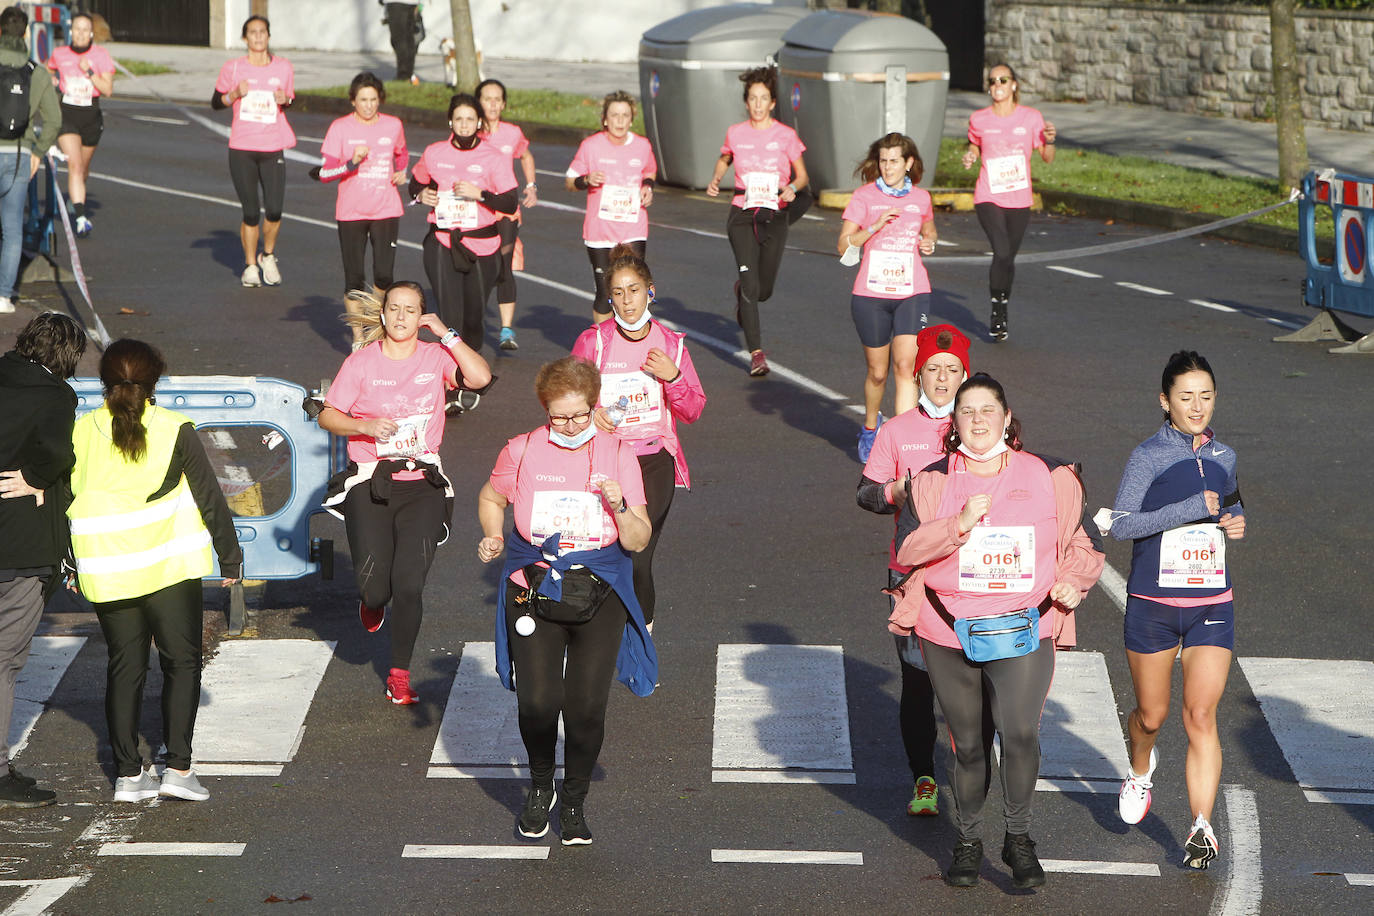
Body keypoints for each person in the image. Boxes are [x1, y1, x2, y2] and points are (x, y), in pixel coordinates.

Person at [890, 372, 1103, 889]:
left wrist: (1075, 580)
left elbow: (1083, 544)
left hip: (1024, 627)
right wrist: (957, 524)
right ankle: (967, 841)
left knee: (1020, 731)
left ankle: (1019, 838)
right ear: (953, 422)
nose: (978, 419)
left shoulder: (1051, 475)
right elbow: (906, 552)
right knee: (968, 745)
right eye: (967, 410)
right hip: (947, 630)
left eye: (989, 409)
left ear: (1008, 419)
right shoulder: (931, 479)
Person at [477, 356, 656, 846]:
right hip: (533, 587)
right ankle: (540, 787)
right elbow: (491, 497)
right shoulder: (523, 449)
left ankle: (573, 799)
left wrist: (618, 505)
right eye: (561, 416)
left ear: (593, 405)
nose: (573, 425)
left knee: (584, 709)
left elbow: (638, 540)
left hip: (599, 590)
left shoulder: (618, 453)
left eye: (581, 414)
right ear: (545, 410)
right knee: (537, 704)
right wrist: (494, 536)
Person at [66, 339, 243, 803]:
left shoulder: (83, 430)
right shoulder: (172, 428)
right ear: (155, 381)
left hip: (107, 566)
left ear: (105, 381)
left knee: (125, 666)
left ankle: (128, 774)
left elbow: (69, 491)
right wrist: (231, 558)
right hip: (168, 564)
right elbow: (209, 496)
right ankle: (178, 770)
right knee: (180, 663)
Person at [1102, 350, 1244, 871]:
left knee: (1201, 714)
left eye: (1206, 396)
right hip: (1153, 606)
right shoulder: (1147, 457)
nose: (1197, 406)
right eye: (1186, 397)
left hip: (1211, 601)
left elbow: (1231, 502)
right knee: (1153, 715)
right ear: (1165, 402)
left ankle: (1201, 825)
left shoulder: (1226, 454)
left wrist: (1235, 522)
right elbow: (1120, 524)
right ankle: (1140, 769)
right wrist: (1191, 510)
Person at [319, 283, 491, 704]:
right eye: (393, 309)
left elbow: (481, 378)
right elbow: (327, 415)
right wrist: (364, 426)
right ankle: (372, 602)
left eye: (410, 310)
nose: (400, 317)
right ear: (382, 316)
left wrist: (447, 334)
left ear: (421, 318)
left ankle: (398, 674)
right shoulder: (360, 363)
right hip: (371, 484)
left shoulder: (437, 358)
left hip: (423, 484)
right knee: (376, 589)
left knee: (410, 584)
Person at [856, 324, 994, 819]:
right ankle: (925, 778)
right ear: (918, 373)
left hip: (977, 576)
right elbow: (865, 494)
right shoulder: (897, 432)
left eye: (951, 369)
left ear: (965, 374)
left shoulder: (981, 425)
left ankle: (971, 768)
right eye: (932, 369)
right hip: (912, 576)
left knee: (977, 682)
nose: (942, 378)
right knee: (917, 682)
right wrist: (892, 492)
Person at [570, 246, 705, 630]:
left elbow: (694, 409)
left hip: (652, 460)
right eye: (617, 292)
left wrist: (673, 377)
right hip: (604, 459)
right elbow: (564, 401)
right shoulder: (593, 342)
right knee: (605, 550)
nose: (626, 301)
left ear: (651, 291)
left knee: (637, 551)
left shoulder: (671, 344)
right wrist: (589, 414)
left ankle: (641, 637)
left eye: (634, 290)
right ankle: (602, 631)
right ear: (608, 297)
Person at [0, 313, 86, 807]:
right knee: (5, 659)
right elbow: (56, 453)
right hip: (22, 546)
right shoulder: (55, 397)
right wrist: (34, 477)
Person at [838, 133, 936, 460]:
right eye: (883, 160)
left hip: (912, 291)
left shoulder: (921, 198)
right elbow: (843, 245)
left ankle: (906, 440)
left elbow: (929, 227)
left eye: (894, 160)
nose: (888, 166)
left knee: (906, 366)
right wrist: (875, 226)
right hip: (871, 294)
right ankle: (870, 427)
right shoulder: (864, 197)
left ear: (908, 163)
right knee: (878, 372)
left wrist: (929, 240)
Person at [706, 66, 808, 378]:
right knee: (751, 284)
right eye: (753, 98)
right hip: (742, 213)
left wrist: (792, 187)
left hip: (774, 213)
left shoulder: (786, 136)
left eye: (764, 98)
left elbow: (803, 176)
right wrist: (716, 178)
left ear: (773, 103)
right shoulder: (735, 132)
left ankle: (743, 294)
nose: (758, 104)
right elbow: (725, 156)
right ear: (746, 102)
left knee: (763, 291)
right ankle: (756, 353)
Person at [410, 93, 518, 355]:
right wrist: (420, 195)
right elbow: (416, 181)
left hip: (482, 244)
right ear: (450, 122)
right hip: (443, 240)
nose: (464, 124)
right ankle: (452, 376)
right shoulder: (435, 152)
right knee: (450, 316)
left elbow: (510, 203)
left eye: (470, 118)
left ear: (479, 122)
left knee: (473, 318)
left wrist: (480, 194)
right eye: (458, 118)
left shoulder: (493, 157)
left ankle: (470, 367)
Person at [961, 64, 1056, 342]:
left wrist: (1050, 140)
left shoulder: (1031, 118)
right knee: (1001, 251)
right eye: (992, 81)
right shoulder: (979, 119)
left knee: (1008, 259)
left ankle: (1002, 305)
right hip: (988, 194)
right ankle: (996, 310)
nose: (996, 85)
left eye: (1003, 79)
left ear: (1014, 85)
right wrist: (971, 155)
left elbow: (1047, 157)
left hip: (1019, 197)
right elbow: (974, 145)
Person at [316, 71, 407, 347]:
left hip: (386, 208)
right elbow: (325, 173)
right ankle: (359, 337)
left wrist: (402, 171)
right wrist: (351, 163)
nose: (368, 105)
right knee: (355, 279)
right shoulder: (340, 128)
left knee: (384, 276)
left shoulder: (393, 125)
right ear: (352, 101)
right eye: (363, 100)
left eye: (373, 99)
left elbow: (401, 154)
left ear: (380, 99)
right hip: (351, 212)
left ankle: (372, 323)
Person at [211, 14, 295, 288]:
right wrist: (234, 94)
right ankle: (249, 265)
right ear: (245, 38)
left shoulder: (283, 67)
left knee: (274, 210)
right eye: (252, 33)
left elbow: (289, 99)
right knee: (250, 212)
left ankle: (267, 255)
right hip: (242, 148)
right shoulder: (233, 68)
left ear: (268, 36)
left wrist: (287, 99)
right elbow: (216, 102)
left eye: (262, 32)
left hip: (272, 146)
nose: (258, 37)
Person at [565, 91, 657, 325]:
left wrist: (647, 186)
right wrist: (586, 180)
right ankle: (603, 343)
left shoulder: (642, 145)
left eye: (625, 115)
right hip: (600, 231)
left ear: (631, 119)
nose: (619, 121)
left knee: (635, 286)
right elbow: (570, 181)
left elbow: (650, 171)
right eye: (614, 115)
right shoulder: (591, 146)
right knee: (606, 291)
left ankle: (633, 337)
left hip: (633, 226)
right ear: (605, 119)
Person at [0, 5, 60, 314]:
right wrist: (38, 152)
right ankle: (4, 296)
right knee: (12, 228)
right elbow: (53, 120)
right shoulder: (36, 72)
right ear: (25, 33)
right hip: (20, 154)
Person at [476, 78, 537, 352]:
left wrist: (531, 186)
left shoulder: (512, 133)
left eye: (496, 99)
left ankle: (506, 330)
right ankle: (472, 319)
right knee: (479, 266)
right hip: (476, 208)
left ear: (503, 104)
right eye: (486, 98)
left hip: (505, 209)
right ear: (478, 102)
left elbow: (525, 156)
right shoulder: (470, 131)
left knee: (504, 264)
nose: (491, 104)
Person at [45, 10, 114, 238]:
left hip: (91, 116)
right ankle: (82, 218)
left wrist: (90, 71)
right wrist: (52, 79)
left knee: (82, 169)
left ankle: (77, 198)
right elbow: (48, 68)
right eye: (77, 29)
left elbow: (107, 90)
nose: (81, 34)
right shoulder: (60, 53)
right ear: (71, 31)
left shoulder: (101, 55)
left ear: (91, 33)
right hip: (67, 115)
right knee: (74, 165)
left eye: (86, 29)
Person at [382, 1, 421, 85]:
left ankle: (403, 76)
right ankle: (409, 74)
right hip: (412, 3)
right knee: (408, 38)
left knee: (399, 39)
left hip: (396, 3)